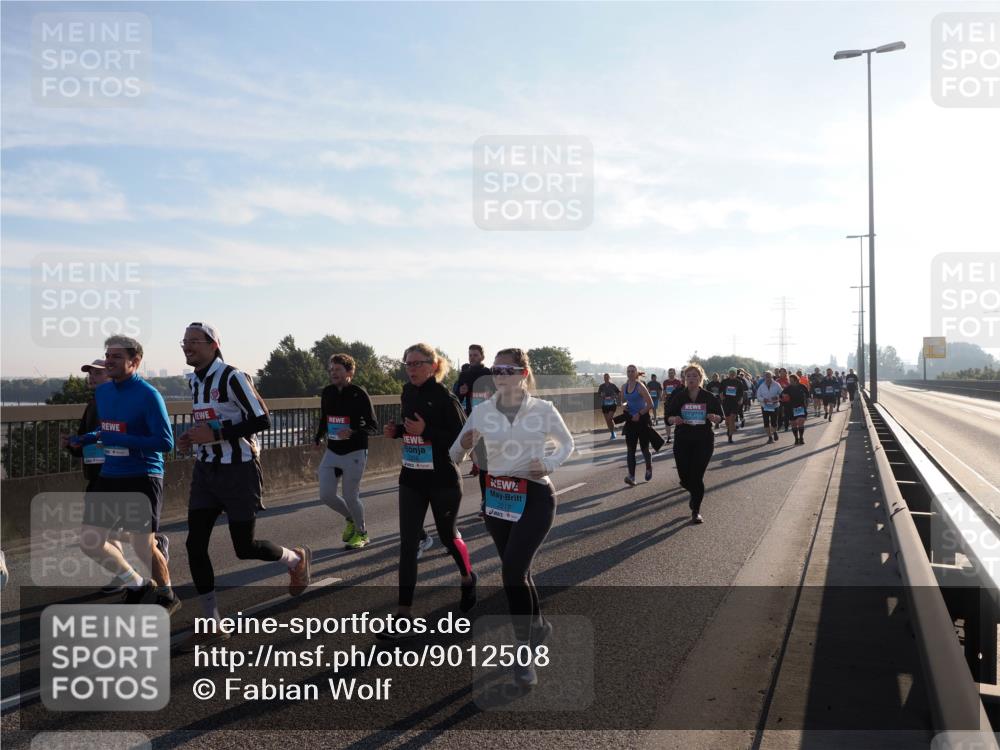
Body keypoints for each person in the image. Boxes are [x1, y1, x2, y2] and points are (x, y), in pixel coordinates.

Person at [177, 323, 310, 651]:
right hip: (206, 470)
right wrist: (190, 438)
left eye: (194, 341)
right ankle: (212, 622)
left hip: (238, 469)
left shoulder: (233, 377)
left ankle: (295, 560)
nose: (187, 347)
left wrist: (218, 435)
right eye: (185, 342)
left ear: (213, 344)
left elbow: (261, 419)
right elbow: (208, 420)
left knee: (244, 546)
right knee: (195, 545)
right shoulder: (194, 381)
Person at [450, 348, 573, 687]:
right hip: (498, 499)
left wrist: (548, 464)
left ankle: (524, 652)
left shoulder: (543, 410)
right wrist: (463, 443)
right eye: (496, 369)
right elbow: (453, 455)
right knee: (519, 573)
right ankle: (538, 626)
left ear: (522, 373)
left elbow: (567, 444)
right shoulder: (482, 411)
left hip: (534, 496)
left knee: (512, 572)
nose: (500, 374)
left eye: (508, 369)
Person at [68, 336, 178, 614]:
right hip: (110, 474)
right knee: (90, 541)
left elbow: (165, 443)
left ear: (135, 361)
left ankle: (167, 595)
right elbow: (109, 430)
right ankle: (138, 583)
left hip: (143, 474)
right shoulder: (103, 393)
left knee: (143, 545)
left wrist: (124, 440)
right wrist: (87, 437)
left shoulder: (149, 395)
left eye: (116, 356)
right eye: (107, 355)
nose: (109, 361)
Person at [381, 343, 476, 633]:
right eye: (407, 363)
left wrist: (427, 432)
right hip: (411, 477)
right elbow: (411, 427)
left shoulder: (446, 399)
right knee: (408, 545)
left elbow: (462, 440)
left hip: (443, 480)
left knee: (448, 537)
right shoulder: (407, 392)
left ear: (433, 366)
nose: (411, 369)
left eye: (417, 363)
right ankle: (403, 615)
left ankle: (467, 577)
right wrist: (397, 431)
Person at [314, 353, 379, 549]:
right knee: (326, 495)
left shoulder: (359, 393)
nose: (333, 373)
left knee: (351, 496)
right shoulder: (327, 392)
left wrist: (352, 431)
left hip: (355, 451)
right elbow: (325, 417)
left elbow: (372, 425)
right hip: (333, 451)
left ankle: (362, 533)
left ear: (349, 372)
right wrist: (318, 436)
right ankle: (351, 517)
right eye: (331, 370)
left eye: (338, 369)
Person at [665, 364, 724, 523]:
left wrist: (715, 417)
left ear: (701, 378)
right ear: (684, 379)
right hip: (683, 440)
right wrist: (674, 419)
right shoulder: (679, 396)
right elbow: (668, 417)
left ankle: (696, 510)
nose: (691, 379)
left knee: (696, 477)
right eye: (688, 376)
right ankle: (694, 492)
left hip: (703, 441)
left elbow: (720, 416)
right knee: (685, 478)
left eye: (695, 376)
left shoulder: (709, 397)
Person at [620, 366, 655, 486]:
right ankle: (631, 476)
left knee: (644, 449)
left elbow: (650, 404)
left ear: (636, 374)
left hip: (642, 420)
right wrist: (624, 406)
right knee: (630, 449)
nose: (630, 373)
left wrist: (639, 414)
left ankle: (649, 467)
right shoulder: (624, 387)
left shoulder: (640, 387)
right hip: (630, 421)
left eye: (632, 371)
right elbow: (623, 401)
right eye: (628, 371)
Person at [719, 368, 745, 444]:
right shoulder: (724, 381)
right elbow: (720, 390)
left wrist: (740, 399)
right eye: (731, 373)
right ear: (728, 373)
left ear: (736, 374)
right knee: (727, 420)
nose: (732, 374)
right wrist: (721, 396)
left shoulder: (739, 382)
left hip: (735, 402)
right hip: (726, 402)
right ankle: (729, 429)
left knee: (732, 418)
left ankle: (730, 437)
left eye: (733, 373)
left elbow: (741, 392)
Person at [782, 376, 810, 445]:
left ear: (796, 380)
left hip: (800, 407)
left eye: (791, 380)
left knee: (800, 423)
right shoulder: (788, 388)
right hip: (791, 408)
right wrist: (784, 397)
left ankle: (801, 438)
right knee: (793, 424)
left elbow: (807, 395)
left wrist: (807, 404)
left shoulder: (802, 386)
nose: (790, 382)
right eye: (789, 380)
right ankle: (796, 439)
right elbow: (781, 396)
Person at [756, 371, 783, 443]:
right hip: (765, 406)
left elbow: (781, 393)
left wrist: (777, 397)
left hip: (774, 406)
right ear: (764, 377)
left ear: (772, 376)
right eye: (766, 376)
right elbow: (758, 396)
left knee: (774, 422)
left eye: (769, 376)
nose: (768, 378)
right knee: (766, 422)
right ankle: (770, 437)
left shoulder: (777, 384)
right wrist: (763, 399)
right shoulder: (762, 386)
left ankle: (774, 432)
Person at [661, 369, 683, 443]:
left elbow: (681, 392)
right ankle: (668, 436)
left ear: (674, 373)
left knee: (678, 419)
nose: (670, 374)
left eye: (672, 373)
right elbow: (664, 392)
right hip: (668, 403)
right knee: (667, 419)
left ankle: (679, 435)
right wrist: (663, 397)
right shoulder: (665, 382)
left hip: (677, 403)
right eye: (669, 373)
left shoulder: (678, 382)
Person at [597, 373, 621, 439]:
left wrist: (614, 396)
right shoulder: (601, 386)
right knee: (607, 421)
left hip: (612, 404)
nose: (606, 378)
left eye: (607, 377)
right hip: (604, 405)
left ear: (609, 378)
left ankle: (613, 433)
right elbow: (598, 394)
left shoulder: (613, 385)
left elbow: (619, 393)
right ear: (603, 378)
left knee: (609, 418)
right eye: (605, 377)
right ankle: (612, 433)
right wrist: (601, 395)